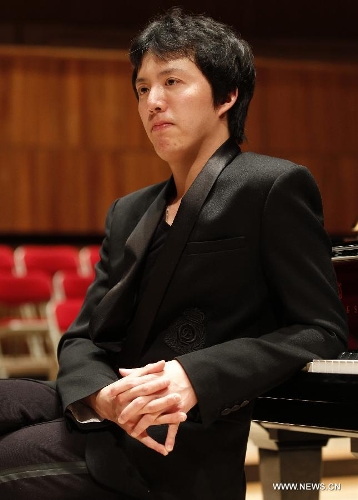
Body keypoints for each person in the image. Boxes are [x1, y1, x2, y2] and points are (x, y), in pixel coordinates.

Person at [0, 7, 348, 500]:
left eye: (172, 82)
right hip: (111, 416)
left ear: (227, 96)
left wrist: (196, 375)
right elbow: (81, 339)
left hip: (183, 442)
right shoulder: (128, 211)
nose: (152, 102)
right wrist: (102, 397)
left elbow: (322, 329)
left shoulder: (271, 186)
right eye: (143, 88)